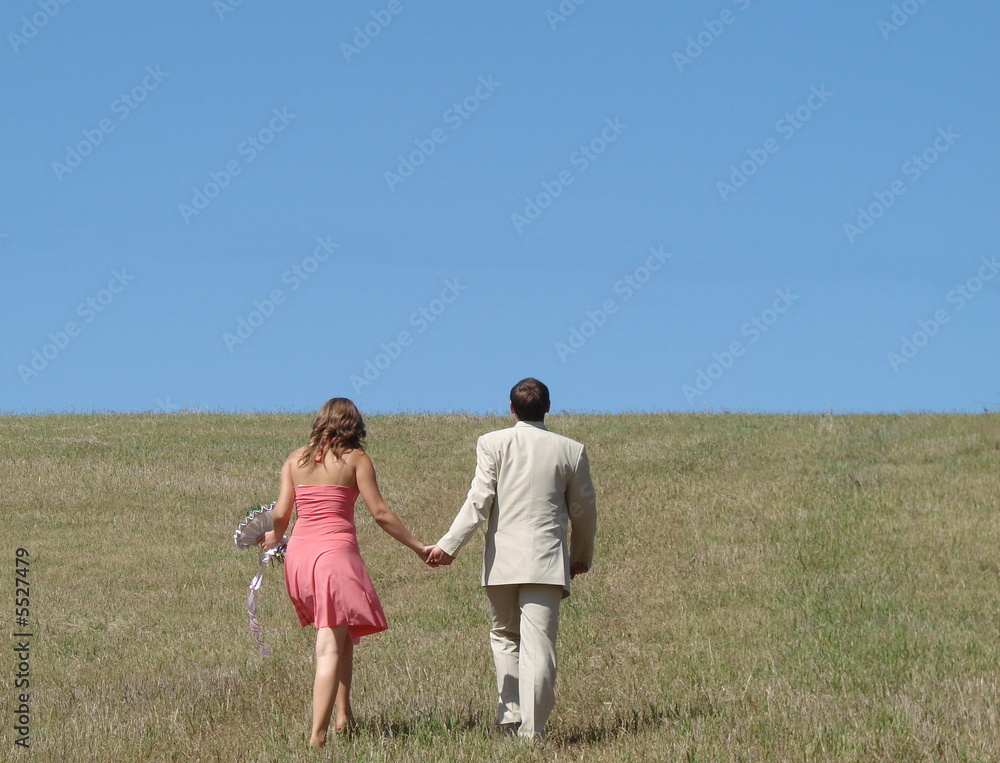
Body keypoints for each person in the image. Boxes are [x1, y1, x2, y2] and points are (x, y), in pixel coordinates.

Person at [427, 378, 597, 741]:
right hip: (547, 561)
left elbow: (478, 501)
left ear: (511, 408)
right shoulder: (572, 450)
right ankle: (532, 731)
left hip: (502, 561)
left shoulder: (492, 443)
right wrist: (580, 556)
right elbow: (584, 512)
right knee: (540, 646)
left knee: (505, 637)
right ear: (548, 407)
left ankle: (510, 716)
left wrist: (448, 546)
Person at [259, 397, 430, 747]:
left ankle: (343, 716)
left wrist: (275, 536)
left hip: (300, 560)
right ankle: (316, 739)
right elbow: (380, 513)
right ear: (354, 425)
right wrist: (418, 546)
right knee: (328, 648)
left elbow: (280, 513)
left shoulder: (295, 459)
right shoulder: (356, 460)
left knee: (342, 634)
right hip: (334, 557)